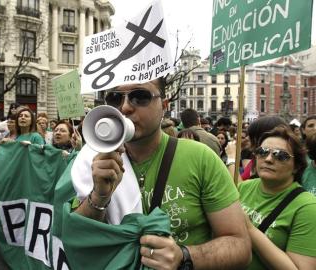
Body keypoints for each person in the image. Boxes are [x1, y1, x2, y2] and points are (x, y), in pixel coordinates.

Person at [72, 78, 251, 269]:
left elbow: (240, 246)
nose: (124, 108)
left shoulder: (200, 158)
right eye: (115, 98)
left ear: (164, 106)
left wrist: (184, 256)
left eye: (139, 97)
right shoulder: (93, 160)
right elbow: (79, 237)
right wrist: (99, 196)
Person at [239, 126, 316, 269]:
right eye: (262, 152)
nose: (268, 159)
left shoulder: (308, 207)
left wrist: (249, 228)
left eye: (281, 155)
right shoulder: (244, 187)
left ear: (296, 166)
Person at [226, 116, 288, 181]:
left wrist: (231, 158)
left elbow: (241, 189)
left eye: (252, 136)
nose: (247, 139)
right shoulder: (256, 158)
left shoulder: (269, 162)